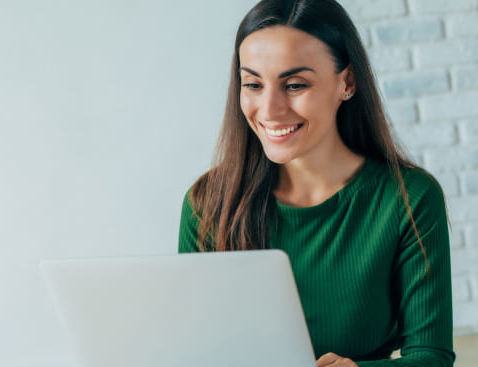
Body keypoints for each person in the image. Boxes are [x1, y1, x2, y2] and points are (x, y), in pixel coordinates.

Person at [177, 0, 455, 366]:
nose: (270, 110)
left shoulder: (410, 198)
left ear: (347, 82)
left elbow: (431, 357)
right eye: (253, 84)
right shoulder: (208, 204)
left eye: (295, 85)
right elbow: (194, 348)